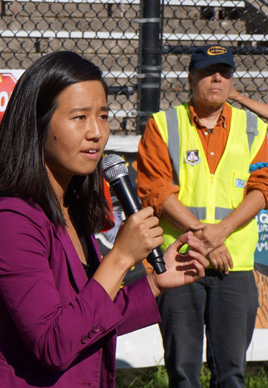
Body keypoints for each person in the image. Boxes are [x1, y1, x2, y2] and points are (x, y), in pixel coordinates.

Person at [0, 50, 209, 388]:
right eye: (80, 117)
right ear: (38, 123)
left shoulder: (71, 208)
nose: (97, 132)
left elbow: (88, 320)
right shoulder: (12, 218)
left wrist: (155, 282)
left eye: (103, 115)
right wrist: (122, 257)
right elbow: (54, 343)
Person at [137, 45, 268, 387]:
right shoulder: (163, 125)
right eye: (209, 71)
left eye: (225, 73)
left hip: (234, 266)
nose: (217, 78)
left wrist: (219, 232)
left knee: (232, 374)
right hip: (179, 261)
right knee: (182, 372)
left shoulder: (253, 127)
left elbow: (263, 187)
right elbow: (156, 189)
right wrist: (206, 239)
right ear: (191, 78)